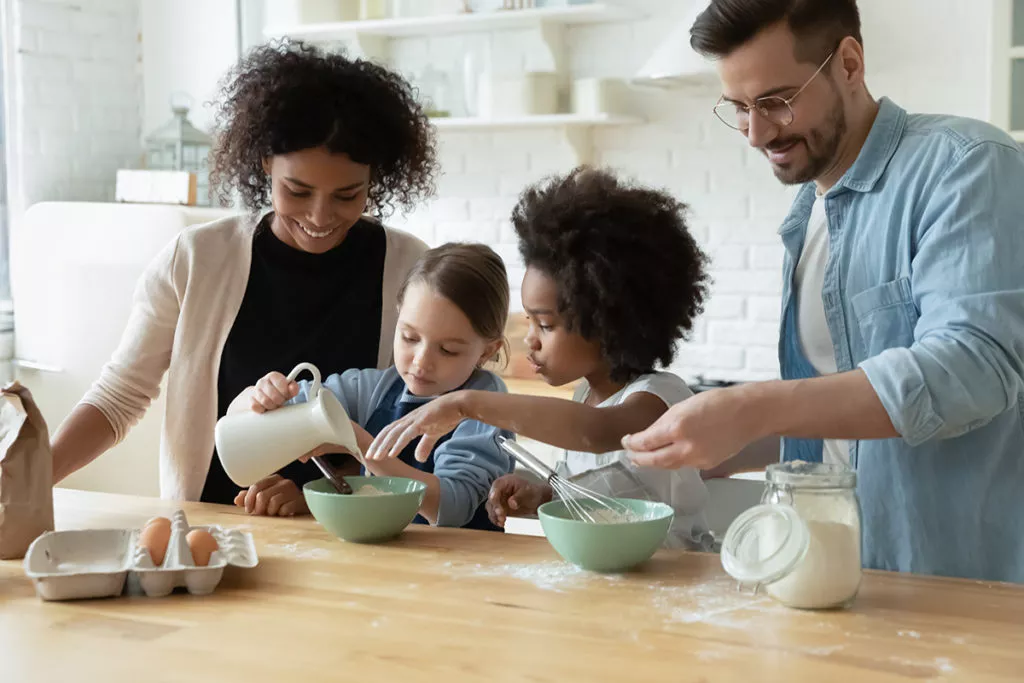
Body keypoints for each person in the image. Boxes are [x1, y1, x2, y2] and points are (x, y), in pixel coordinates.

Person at [623, 0, 1024, 582]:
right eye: (738, 108)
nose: (756, 133)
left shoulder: (968, 167)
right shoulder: (807, 213)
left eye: (776, 101)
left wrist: (753, 405)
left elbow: (972, 369)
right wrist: (697, 451)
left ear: (850, 63)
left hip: (957, 584)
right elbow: (836, 429)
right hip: (832, 577)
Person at [49, 40, 438, 515]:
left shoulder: (411, 269)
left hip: (354, 530)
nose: (320, 216)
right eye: (297, 190)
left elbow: (429, 426)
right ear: (264, 165)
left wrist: (332, 491)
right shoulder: (197, 260)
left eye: (347, 195)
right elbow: (119, 396)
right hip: (209, 529)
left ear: (376, 180)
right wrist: (35, 475)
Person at [365, 168, 715, 549]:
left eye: (545, 325)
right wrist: (544, 496)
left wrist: (468, 404)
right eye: (529, 320)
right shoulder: (584, 396)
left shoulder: (657, 400)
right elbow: (603, 495)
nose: (529, 339)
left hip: (676, 578)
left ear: (607, 324)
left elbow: (596, 432)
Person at [230, 243, 514, 528]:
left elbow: (451, 506)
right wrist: (262, 395)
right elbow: (243, 416)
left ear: (487, 351)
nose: (421, 362)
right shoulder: (373, 388)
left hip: (465, 563)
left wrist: (356, 443)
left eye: (448, 350)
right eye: (409, 338)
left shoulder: (487, 405)